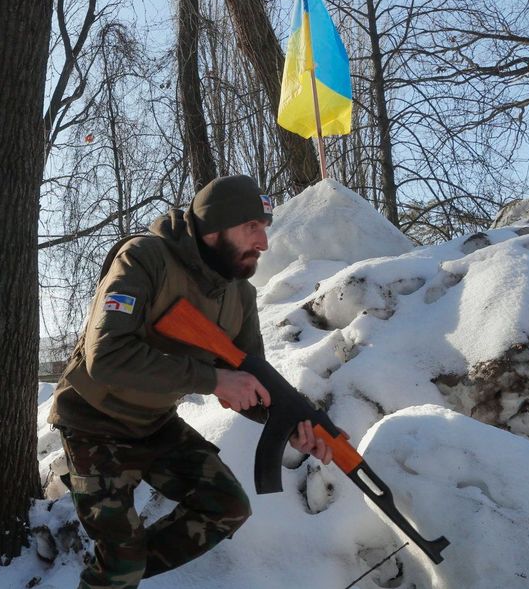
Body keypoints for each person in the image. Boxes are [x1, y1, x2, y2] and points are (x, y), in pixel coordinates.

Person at [47, 175, 334, 589]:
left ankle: (116, 574)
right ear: (214, 228)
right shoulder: (144, 258)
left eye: (265, 229)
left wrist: (291, 427)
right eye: (251, 227)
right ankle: (117, 573)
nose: (264, 242)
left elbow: (250, 383)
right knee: (121, 566)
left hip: (154, 423)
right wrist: (212, 379)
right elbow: (105, 357)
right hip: (94, 422)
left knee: (227, 507)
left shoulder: (239, 295)